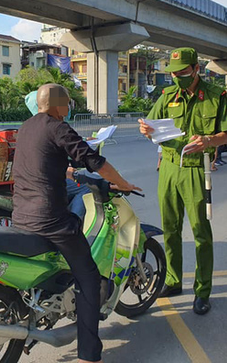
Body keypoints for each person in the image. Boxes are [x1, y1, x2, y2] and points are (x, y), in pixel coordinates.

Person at [13, 84, 141, 363]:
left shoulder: (26, 126)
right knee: (89, 278)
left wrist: (67, 171)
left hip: (21, 215)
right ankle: (89, 354)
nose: (70, 108)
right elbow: (95, 162)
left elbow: (42, 160)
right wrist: (123, 184)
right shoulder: (58, 127)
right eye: (69, 103)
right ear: (60, 105)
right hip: (51, 219)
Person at [138, 47, 227, 315]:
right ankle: (173, 279)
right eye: (174, 73)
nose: (177, 77)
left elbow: (226, 135)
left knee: (201, 233)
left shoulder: (215, 96)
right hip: (168, 167)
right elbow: (152, 128)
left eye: (183, 72)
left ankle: (202, 291)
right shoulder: (168, 96)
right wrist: (146, 130)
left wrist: (208, 141)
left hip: (195, 170)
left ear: (196, 70)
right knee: (170, 229)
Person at [24, 90, 91, 219]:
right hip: (44, 183)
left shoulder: (28, 127)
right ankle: (73, 223)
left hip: (29, 183)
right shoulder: (54, 126)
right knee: (85, 190)